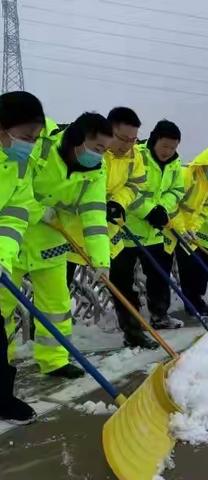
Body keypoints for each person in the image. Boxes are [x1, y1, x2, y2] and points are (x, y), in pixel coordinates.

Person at [0, 112, 113, 379]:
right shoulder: (40, 147)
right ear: (78, 139)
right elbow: (18, 186)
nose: (100, 156)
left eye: (105, 150)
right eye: (97, 148)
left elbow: (95, 216)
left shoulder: (96, 171)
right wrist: (40, 211)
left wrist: (101, 260)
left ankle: (55, 360)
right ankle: (2, 361)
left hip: (51, 243)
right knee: (1, 305)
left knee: (56, 307)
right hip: (13, 238)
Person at [64, 107, 153, 348]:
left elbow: (136, 186)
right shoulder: (92, 152)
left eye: (133, 139)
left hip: (109, 233)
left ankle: (134, 333)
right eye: (123, 138)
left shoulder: (135, 157)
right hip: (71, 233)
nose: (128, 145)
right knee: (59, 290)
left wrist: (117, 202)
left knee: (123, 284)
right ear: (108, 130)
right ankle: (47, 345)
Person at [109, 119, 184, 330]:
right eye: (165, 146)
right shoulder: (137, 155)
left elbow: (177, 191)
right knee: (122, 279)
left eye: (173, 147)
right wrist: (149, 210)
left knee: (160, 277)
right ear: (154, 140)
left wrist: (161, 209)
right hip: (126, 230)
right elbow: (127, 188)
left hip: (154, 232)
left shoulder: (175, 165)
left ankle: (160, 316)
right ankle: (131, 323)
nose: (168, 151)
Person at [0, 91, 45, 424]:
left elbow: (14, 216)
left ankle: (2, 399)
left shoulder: (18, 166)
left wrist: (2, 257)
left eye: (35, 138)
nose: (30, 144)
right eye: (26, 137)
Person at [169, 144, 208, 317]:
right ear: (204, 164)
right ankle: (170, 310)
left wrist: (193, 228)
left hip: (189, 230)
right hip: (170, 224)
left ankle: (195, 303)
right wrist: (181, 227)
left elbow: (205, 210)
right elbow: (172, 203)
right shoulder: (187, 175)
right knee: (171, 267)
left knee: (193, 266)